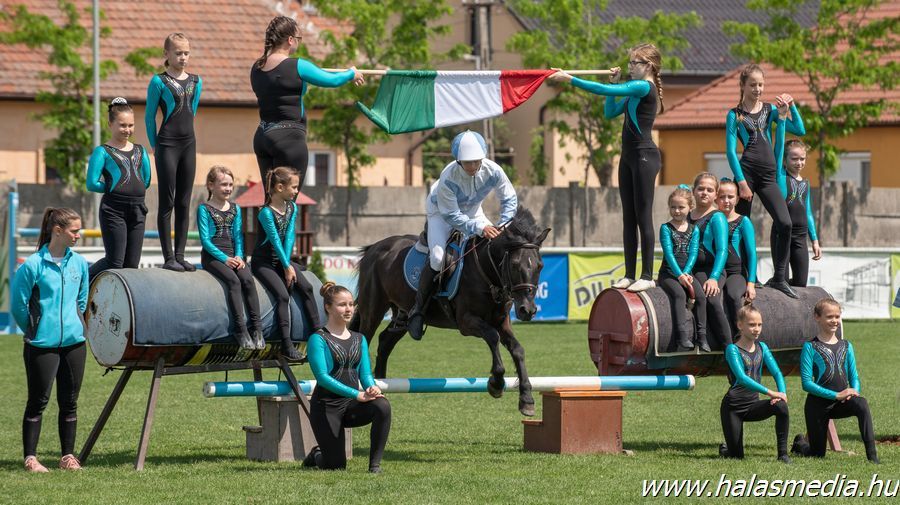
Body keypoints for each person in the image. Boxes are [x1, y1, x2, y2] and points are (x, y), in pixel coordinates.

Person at [550, 43, 665, 292]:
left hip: (645, 157)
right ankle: (630, 274)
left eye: (634, 63)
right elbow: (610, 111)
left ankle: (647, 275)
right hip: (628, 157)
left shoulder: (644, 87)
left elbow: (600, 90)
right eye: (630, 62)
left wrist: (570, 79)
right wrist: (614, 84)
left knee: (643, 217)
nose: (629, 67)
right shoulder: (633, 91)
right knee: (628, 218)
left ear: (648, 66)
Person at [406, 130, 517, 341]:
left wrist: (503, 225)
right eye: (467, 163)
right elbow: (452, 216)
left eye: (476, 161)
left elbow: (509, 199)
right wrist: (480, 228)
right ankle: (418, 310)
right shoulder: (448, 176)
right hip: (442, 214)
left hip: (473, 211)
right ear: (458, 161)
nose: (473, 166)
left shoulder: (494, 170)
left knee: (496, 246)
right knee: (437, 258)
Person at [11, 208, 89, 472]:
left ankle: (68, 456)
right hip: (41, 345)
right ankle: (30, 458)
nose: (79, 235)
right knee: (38, 402)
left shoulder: (79, 264)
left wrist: (77, 326)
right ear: (57, 231)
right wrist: (35, 329)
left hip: (74, 344)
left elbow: (82, 300)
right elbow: (18, 305)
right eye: (74, 231)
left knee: (70, 402)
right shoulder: (32, 265)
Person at [251, 15, 364, 186]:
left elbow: (280, 90)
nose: (299, 42)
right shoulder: (297, 65)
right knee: (288, 199)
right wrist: (351, 73)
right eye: (299, 39)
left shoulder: (257, 68)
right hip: (288, 138)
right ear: (290, 40)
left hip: (262, 137)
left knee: (271, 197)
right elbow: (332, 80)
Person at [725, 64, 805, 299]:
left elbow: (799, 129)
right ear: (743, 86)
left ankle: (779, 278)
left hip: (769, 176)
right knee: (741, 226)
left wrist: (791, 108)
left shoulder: (770, 110)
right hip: (747, 174)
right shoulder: (735, 115)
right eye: (753, 84)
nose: (757, 89)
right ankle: (745, 275)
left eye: (761, 84)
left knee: (785, 223)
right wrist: (741, 182)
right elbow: (730, 152)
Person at [303, 282, 391, 473]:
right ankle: (317, 454)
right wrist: (356, 394)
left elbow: (365, 374)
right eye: (342, 305)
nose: (349, 309)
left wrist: (371, 387)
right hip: (326, 407)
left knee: (382, 405)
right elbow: (322, 377)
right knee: (335, 466)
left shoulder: (360, 339)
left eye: (351, 304)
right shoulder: (318, 339)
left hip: (351, 406)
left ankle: (374, 466)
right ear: (328, 307)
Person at [792, 299, 879, 463]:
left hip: (841, 403)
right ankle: (800, 444)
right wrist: (836, 395)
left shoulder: (846, 346)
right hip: (817, 406)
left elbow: (854, 376)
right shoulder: (810, 347)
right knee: (817, 454)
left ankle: (872, 457)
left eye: (837, 316)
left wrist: (854, 391)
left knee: (862, 404)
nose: (834, 321)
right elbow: (806, 383)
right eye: (829, 316)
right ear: (817, 317)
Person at [250, 166, 321, 361]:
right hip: (263, 263)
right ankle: (286, 345)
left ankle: (319, 336)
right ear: (280, 187)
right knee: (282, 295)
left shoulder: (292, 208)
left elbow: (289, 236)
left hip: (283, 260)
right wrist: (287, 267)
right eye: (294, 187)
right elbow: (274, 239)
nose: (296, 191)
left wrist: (287, 265)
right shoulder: (265, 213)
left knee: (306, 287)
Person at [146, 32, 203, 272]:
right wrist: (155, 146)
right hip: (167, 145)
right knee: (167, 201)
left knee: (184, 201)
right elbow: (149, 116)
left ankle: (180, 255)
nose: (183, 57)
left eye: (186, 53)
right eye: (178, 53)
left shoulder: (196, 81)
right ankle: (168, 257)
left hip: (188, 144)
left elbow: (193, 111)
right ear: (166, 54)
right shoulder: (158, 82)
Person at [198, 165, 263, 351]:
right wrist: (225, 259)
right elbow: (205, 241)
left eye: (230, 185)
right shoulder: (204, 209)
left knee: (248, 280)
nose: (228, 188)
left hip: (234, 255)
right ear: (211, 185)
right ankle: (240, 330)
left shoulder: (235, 209)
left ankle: (257, 329)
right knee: (234, 282)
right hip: (213, 257)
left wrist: (239, 256)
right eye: (223, 184)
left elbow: (238, 236)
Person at [86, 97, 151, 280]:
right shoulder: (102, 151)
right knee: (115, 261)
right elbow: (91, 183)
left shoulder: (140, 150)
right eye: (122, 125)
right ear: (110, 124)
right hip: (113, 210)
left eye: (131, 125)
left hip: (138, 210)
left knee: (132, 264)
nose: (127, 130)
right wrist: (112, 189)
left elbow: (146, 180)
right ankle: (83, 283)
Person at [720, 304, 791, 463]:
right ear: (740, 325)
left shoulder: (762, 347)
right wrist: (771, 393)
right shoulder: (732, 349)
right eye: (752, 325)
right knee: (736, 457)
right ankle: (726, 449)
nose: (757, 329)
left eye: (759, 325)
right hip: (733, 408)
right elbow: (742, 378)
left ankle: (783, 455)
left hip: (753, 405)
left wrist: (782, 393)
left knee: (781, 406)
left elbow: (777, 373)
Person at [658, 185, 706, 351]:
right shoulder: (666, 228)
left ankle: (702, 337)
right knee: (679, 295)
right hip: (669, 274)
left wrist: (686, 272)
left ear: (690, 207)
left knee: (701, 297)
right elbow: (669, 254)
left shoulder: (694, 229)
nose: (677, 211)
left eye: (681, 207)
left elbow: (693, 252)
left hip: (686, 273)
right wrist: (679, 275)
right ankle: (682, 336)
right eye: (673, 207)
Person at [689, 173, 730, 352]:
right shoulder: (685, 215)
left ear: (715, 195)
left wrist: (714, 278)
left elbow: (722, 250)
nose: (704, 192)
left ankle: (729, 347)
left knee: (712, 300)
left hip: (712, 269)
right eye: (701, 189)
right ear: (693, 191)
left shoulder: (717, 217)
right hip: (691, 270)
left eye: (709, 190)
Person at [775, 140, 821, 287]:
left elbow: (808, 213)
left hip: (800, 237)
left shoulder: (806, 183)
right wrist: (781, 125)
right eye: (794, 159)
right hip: (782, 234)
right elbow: (778, 147)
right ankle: (775, 283)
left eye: (802, 159)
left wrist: (814, 241)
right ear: (784, 160)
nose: (799, 162)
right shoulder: (781, 177)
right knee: (782, 281)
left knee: (801, 282)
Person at [717, 179, 758, 337]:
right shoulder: (713, 220)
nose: (726, 201)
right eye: (722, 197)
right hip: (717, 271)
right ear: (716, 199)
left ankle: (740, 335)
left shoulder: (743, 221)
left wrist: (751, 283)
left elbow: (752, 253)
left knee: (733, 295)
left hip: (736, 272)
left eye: (730, 196)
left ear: (737, 199)